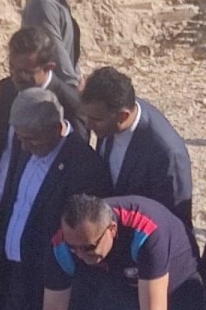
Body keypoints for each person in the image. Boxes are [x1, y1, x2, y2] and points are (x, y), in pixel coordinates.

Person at [0, 88, 109, 310]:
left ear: (55, 128)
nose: (24, 146)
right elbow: (15, 208)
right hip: (16, 280)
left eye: (31, 139)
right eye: (20, 138)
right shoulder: (27, 148)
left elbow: (86, 239)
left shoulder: (85, 167)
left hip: (55, 290)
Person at [38, 194, 204, 310]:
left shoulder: (145, 230)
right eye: (73, 247)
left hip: (176, 285)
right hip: (118, 281)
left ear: (112, 230)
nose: (80, 255)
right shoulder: (61, 244)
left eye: (88, 247)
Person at [80, 66, 194, 240]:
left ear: (123, 116)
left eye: (95, 119)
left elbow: (175, 223)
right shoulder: (107, 119)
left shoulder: (166, 153)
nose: (88, 125)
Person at [21, 0, 82, 88]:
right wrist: (72, 83)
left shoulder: (57, 2)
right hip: (51, 87)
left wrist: (77, 76)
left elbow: (70, 47)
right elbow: (55, 47)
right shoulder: (45, 2)